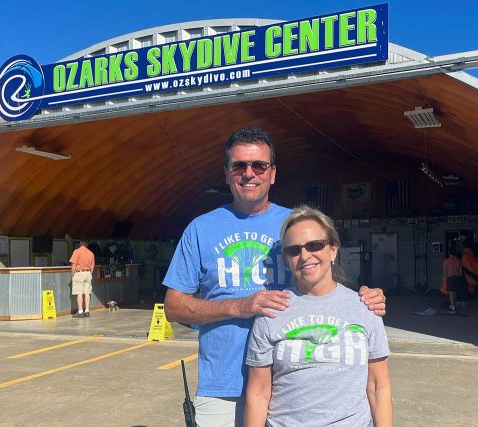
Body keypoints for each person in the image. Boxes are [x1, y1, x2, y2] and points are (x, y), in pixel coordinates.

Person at [162, 126, 386, 426]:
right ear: (226, 173)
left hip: (293, 386)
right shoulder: (200, 230)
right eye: (239, 165)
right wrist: (240, 306)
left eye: (259, 165)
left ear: (273, 173)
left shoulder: (296, 225)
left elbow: (329, 283)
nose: (249, 173)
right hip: (223, 385)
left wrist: (366, 298)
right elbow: (173, 306)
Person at [245, 206, 392, 427]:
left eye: (314, 245)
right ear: (286, 259)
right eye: (294, 250)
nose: (304, 255)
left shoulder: (364, 307)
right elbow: (258, 393)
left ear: (333, 250)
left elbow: (378, 386)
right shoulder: (271, 311)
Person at [70, 240, 95, 318]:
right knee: (87, 292)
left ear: (80, 244)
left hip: (79, 273)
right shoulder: (91, 253)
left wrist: (72, 274)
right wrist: (90, 273)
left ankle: (80, 311)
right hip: (88, 273)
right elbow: (93, 265)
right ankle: (87, 311)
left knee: (79, 292)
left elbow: (73, 264)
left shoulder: (77, 251)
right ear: (86, 245)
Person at [443, 247, 464, 313]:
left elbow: (444, 271)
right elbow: (461, 271)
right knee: (455, 291)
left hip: (450, 277)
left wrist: (445, 277)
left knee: (451, 291)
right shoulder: (458, 260)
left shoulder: (446, 261)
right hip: (457, 277)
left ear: (449, 253)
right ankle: (454, 304)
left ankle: (452, 306)